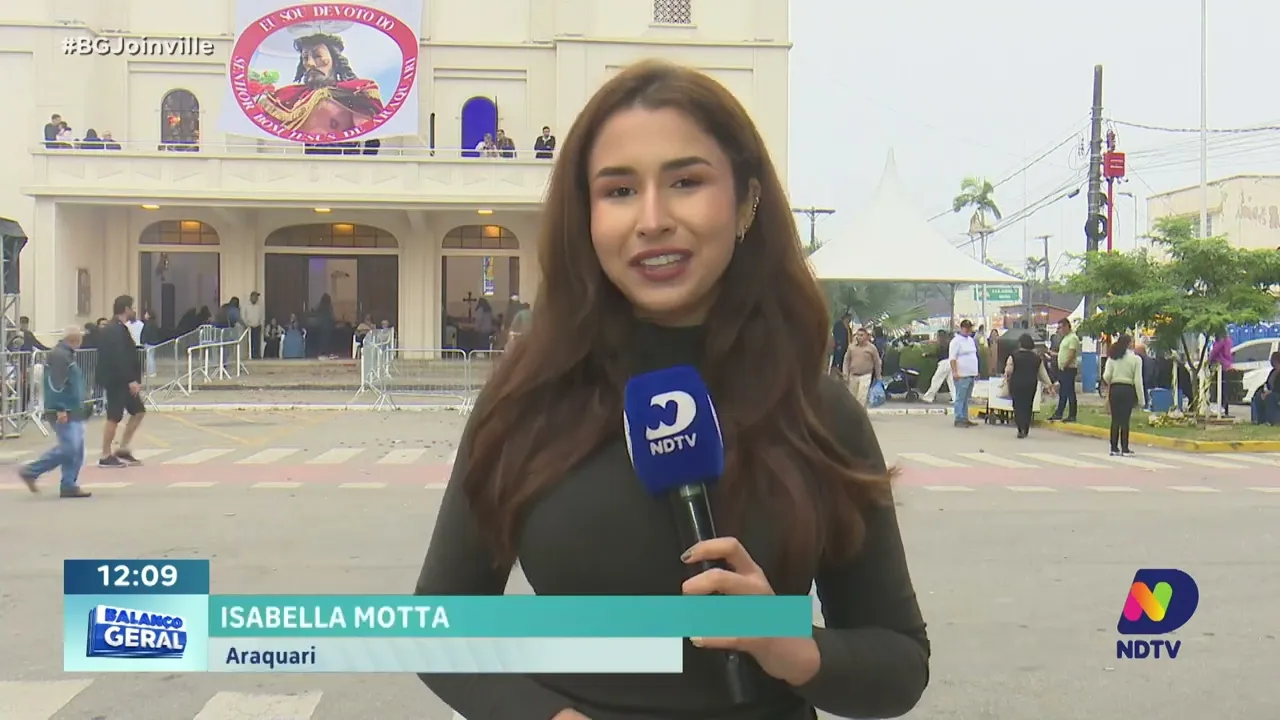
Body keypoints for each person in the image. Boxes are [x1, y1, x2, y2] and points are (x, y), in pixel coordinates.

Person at [415, 60, 929, 720]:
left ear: (746, 202)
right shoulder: (526, 404)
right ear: (588, 217)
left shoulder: (819, 412)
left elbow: (899, 665)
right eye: (619, 191)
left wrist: (792, 648)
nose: (652, 219)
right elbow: (441, 623)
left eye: (686, 181)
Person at [16, 326, 92, 498]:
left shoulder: (66, 354)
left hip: (73, 408)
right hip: (64, 409)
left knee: (76, 449)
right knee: (70, 448)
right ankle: (31, 471)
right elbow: (55, 384)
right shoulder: (60, 356)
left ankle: (68, 483)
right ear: (75, 340)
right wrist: (60, 408)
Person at [96, 295, 146, 468]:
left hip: (124, 380)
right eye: (132, 308)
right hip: (118, 380)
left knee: (138, 411)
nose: (134, 311)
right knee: (114, 416)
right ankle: (105, 454)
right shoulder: (114, 330)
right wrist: (130, 379)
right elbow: (119, 357)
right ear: (125, 309)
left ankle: (123, 448)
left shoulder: (119, 328)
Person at [1004, 333, 1053, 439]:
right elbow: (1042, 373)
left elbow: (1008, 371)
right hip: (1031, 384)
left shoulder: (1014, 356)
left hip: (1016, 383)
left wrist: (1006, 380)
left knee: (1017, 406)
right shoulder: (1036, 358)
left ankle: (1020, 428)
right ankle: (1025, 427)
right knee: (1027, 405)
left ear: (1020, 343)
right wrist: (1049, 385)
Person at [1102, 333, 1144, 457]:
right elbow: (1138, 380)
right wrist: (1141, 399)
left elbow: (1106, 376)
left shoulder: (1113, 357)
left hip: (1115, 389)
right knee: (1125, 420)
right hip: (1128, 389)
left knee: (1115, 419)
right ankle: (1125, 448)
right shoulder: (1136, 359)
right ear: (1129, 344)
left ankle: (1114, 448)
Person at [949, 319, 979, 427]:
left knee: (967, 398)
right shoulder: (956, 341)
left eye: (969, 328)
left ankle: (965, 417)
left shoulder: (971, 340)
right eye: (966, 328)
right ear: (961, 328)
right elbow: (952, 358)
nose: (968, 330)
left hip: (971, 373)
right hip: (961, 374)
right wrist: (955, 372)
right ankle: (959, 418)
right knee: (960, 397)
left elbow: (973, 356)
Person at [1048, 318, 1080, 422]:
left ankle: (1072, 415)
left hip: (1069, 369)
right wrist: (1053, 354)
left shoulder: (1073, 338)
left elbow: (1071, 354)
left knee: (1069, 392)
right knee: (1063, 392)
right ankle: (1059, 413)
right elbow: (1064, 353)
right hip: (1063, 368)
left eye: (1060, 327)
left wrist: (1065, 364)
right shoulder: (1065, 338)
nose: (1059, 330)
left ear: (1066, 326)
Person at [842, 326, 881, 406]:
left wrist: (878, 376)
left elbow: (877, 362)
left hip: (865, 376)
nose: (859, 337)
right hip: (853, 375)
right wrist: (845, 373)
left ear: (866, 336)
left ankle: (860, 416)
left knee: (861, 398)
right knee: (852, 399)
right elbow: (846, 360)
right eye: (858, 335)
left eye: (861, 335)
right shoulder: (851, 347)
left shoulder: (871, 348)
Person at [1251, 351, 1280, 425]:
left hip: (1276, 394)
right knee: (1257, 397)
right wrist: (1262, 391)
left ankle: (1271, 421)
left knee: (1270, 397)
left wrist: (1271, 392)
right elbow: (1267, 384)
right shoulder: (1273, 372)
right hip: (1271, 392)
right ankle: (1259, 420)